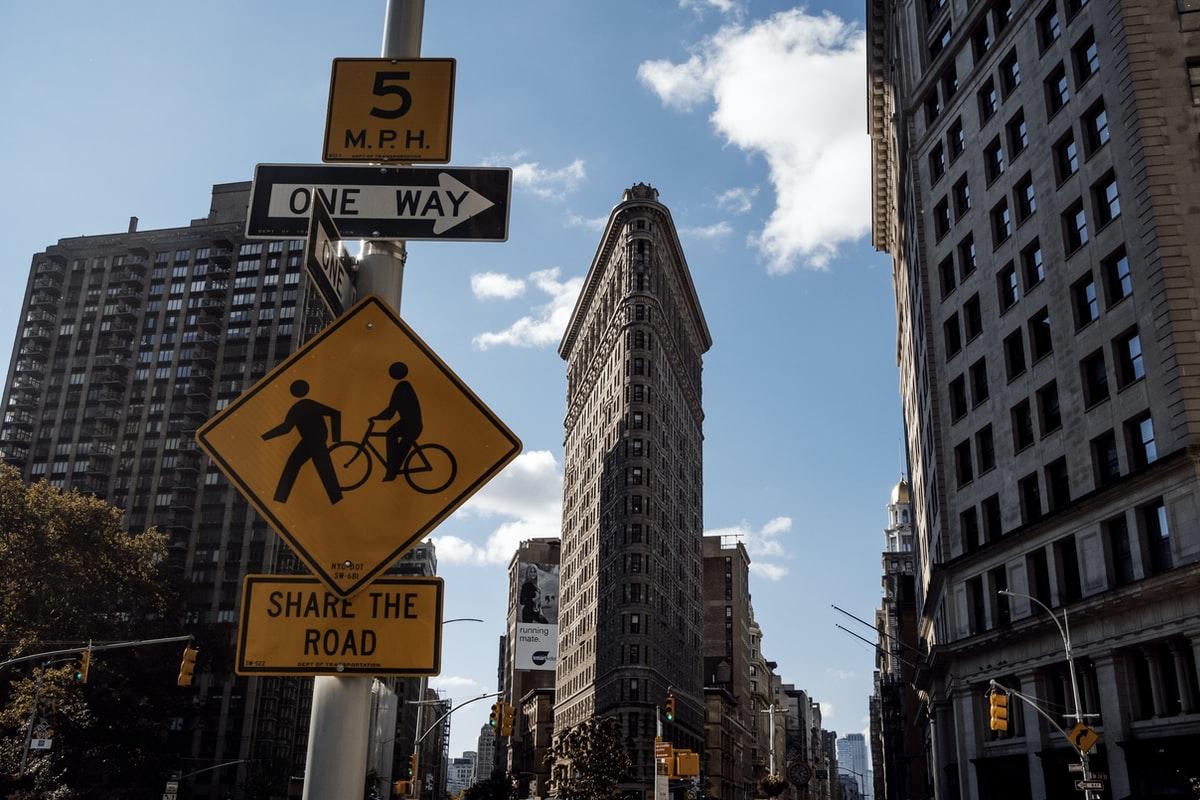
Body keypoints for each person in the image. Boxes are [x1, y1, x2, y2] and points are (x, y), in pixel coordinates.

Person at [262, 379, 343, 505]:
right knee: (312, 467)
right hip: (311, 441)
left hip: (315, 440)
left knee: (321, 469)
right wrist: (264, 437)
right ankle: (279, 499)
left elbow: (335, 414)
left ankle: (280, 499)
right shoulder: (302, 406)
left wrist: (336, 439)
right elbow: (286, 428)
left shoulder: (301, 407)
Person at [371, 361, 423, 482]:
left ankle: (392, 471)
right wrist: (379, 417)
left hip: (411, 425)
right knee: (392, 435)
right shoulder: (402, 386)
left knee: (392, 435)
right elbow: (392, 409)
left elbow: (392, 409)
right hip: (407, 423)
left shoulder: (403, 386)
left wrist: (378, 417)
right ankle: (392, 470)